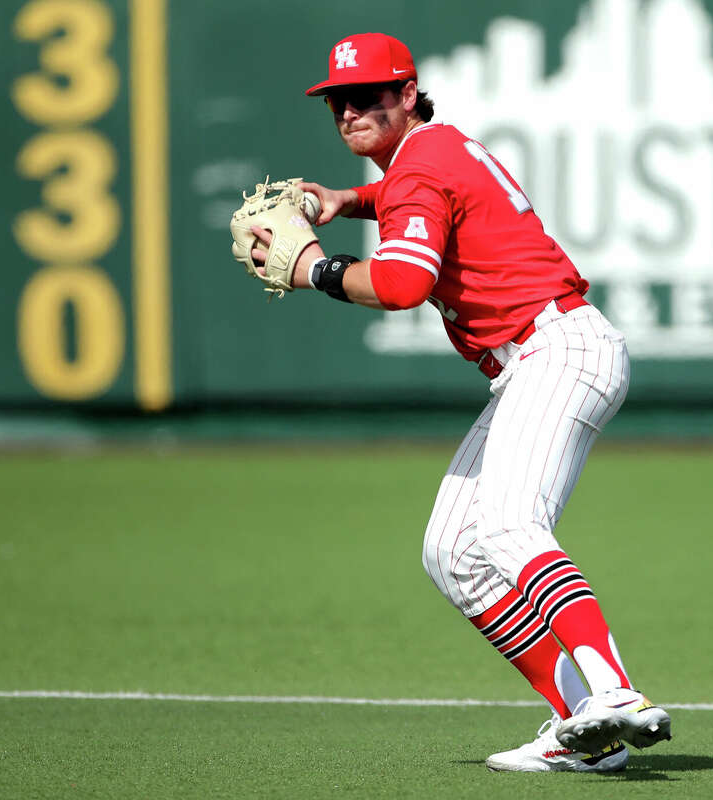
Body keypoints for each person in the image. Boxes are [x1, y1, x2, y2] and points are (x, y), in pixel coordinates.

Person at [246, 32, 672, 773]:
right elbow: (413, 192)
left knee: (508, 524)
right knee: (453, 552)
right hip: (540, 357)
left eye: (370, 96)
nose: (351, 112)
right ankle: (586, 732)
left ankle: (617, 694)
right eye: (338, 101)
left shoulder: (418, 169)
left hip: (557, 350)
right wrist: (348, 199)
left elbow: (404, 284)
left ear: (408, 93)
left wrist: (316, 268)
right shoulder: (435, 149)